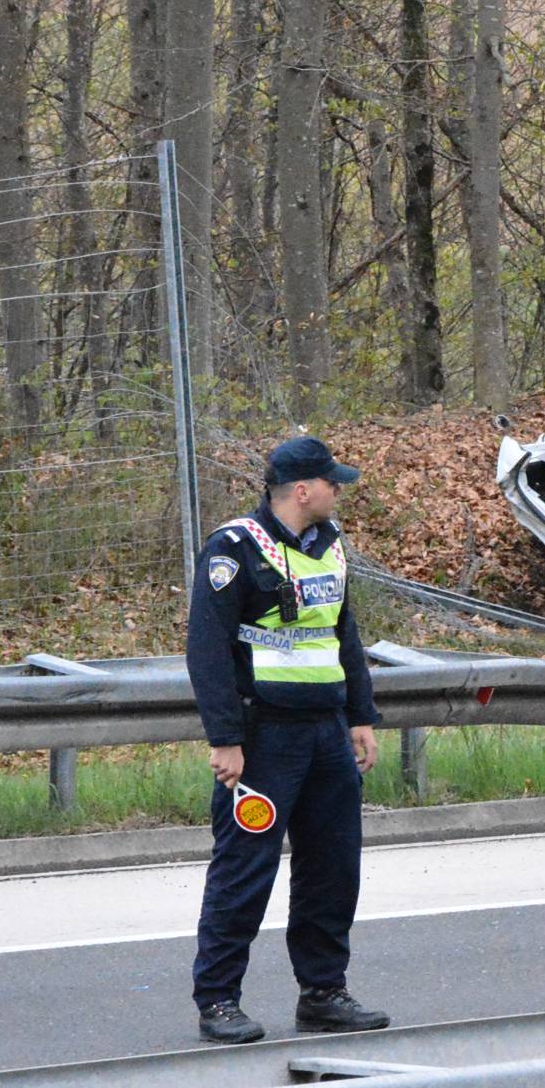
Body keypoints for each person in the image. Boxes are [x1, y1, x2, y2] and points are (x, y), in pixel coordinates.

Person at [186, 435, 390, 1044]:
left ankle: (323, 992)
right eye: (332, 482)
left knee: (333, 869)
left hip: (327, 733)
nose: (340, 490)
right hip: (263, 736)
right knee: (244, 871)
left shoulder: (331, 548)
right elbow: (207, 650)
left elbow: (342, 636)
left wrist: (360, 716)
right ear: (302, 490)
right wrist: (225, 738)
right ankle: (219, 999)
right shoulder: (234, 549)